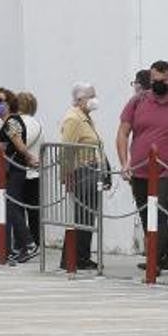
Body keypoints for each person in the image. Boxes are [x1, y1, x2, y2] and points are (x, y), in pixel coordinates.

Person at [117, 60, 168, 272]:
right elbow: (123, 132)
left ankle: (154, 260)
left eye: (162, 80)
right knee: (146, 213)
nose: (158, 84)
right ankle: (162, 256)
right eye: (154, 80)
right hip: (140, 168)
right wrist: (124, 162)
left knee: (159, 211)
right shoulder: (138, 101)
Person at [60, 83, 106, 270]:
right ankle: (72, 258)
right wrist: (66, 175)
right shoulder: (73, 118)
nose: (94, 99)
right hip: (81, 172)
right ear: (80, 99)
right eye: (91, 96)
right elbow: (67, 149)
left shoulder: (85, 117)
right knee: (81, 217)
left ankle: (83, 256)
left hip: (92, 172)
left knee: (87, 217)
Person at [0, 89, 38, 263]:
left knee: (11, 206)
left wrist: (29, 157)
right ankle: (23, 247)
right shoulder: (7, 122)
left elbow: (18, 143)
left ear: (9, 103)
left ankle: (28, 242)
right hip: (9, 169)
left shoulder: (12, 122)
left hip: (15, 170)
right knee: (11, 207)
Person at [16, 91, 45, 248]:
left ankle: (26, 242)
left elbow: (19, 144)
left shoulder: (22, 123)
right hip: (34, 172)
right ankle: (35, 241)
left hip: (22, 172)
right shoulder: (35, 123)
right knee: (33, 211)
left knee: (18, 209)